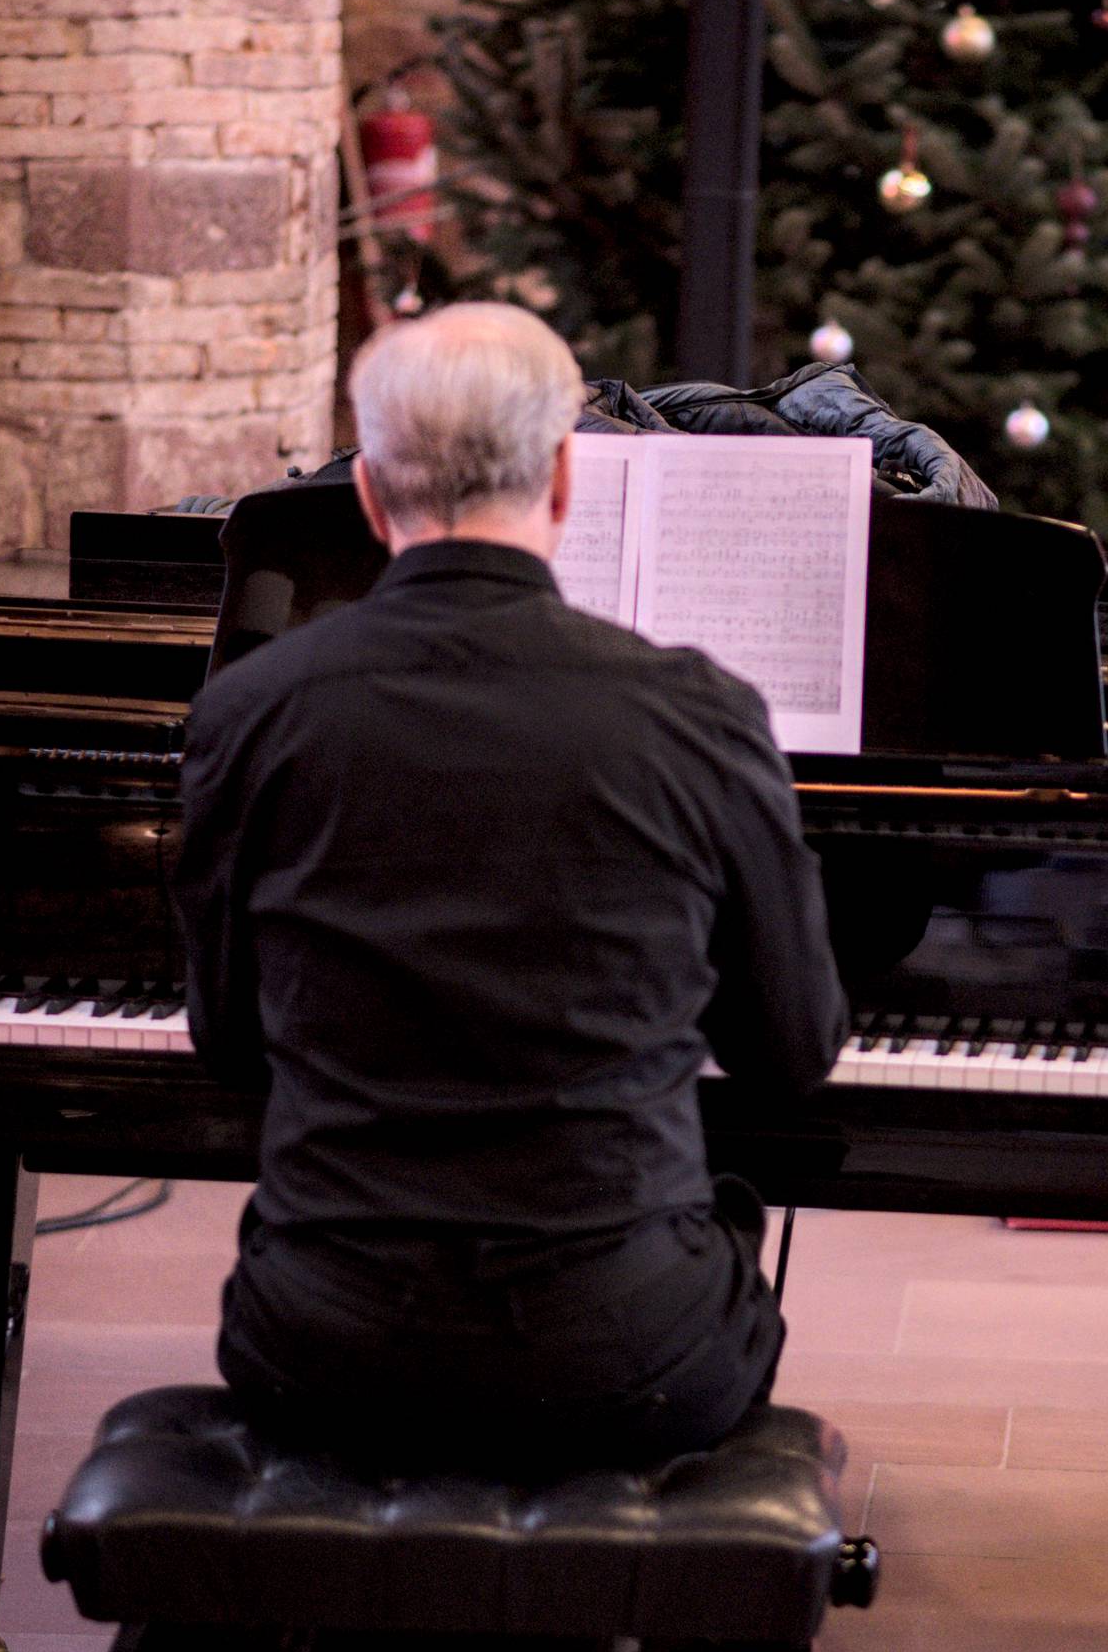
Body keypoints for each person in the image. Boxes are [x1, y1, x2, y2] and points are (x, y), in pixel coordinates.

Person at [174, 302, 849, 1471]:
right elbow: (791, 1051)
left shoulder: (249, 707)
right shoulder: (698, 713)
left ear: (368, 493)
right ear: (564, 476)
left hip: (321, 1348)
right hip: (625, 1355)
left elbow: (229, 1044)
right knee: (724, 1240)